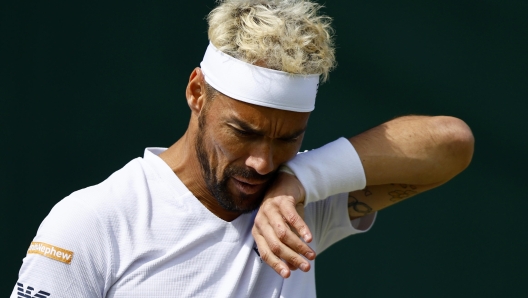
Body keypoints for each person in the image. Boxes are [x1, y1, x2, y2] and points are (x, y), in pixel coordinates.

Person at [11, 0, 474, 297]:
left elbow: (451, 143)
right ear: (197, 93)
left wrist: (299, 181)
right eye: (244, 131)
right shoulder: (93, 220)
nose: (263, 161)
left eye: (288, 138)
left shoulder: (299, 204)